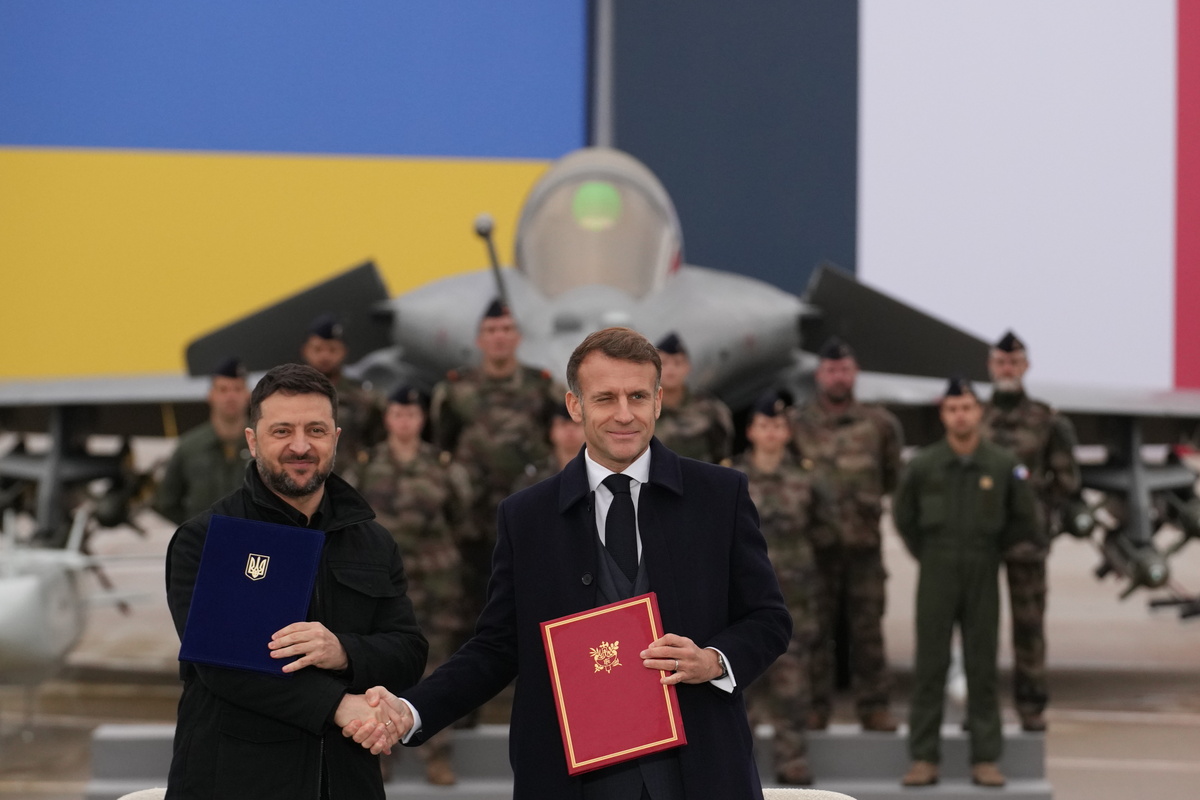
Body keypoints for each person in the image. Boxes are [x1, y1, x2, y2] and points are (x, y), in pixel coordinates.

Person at [344, 326, 792, 800]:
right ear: (575, 406)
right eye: (605, 398)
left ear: (659, 401)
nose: (624, 414)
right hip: (568, 779)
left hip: (701, 772)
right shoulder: (526, 517)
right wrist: (412, 710)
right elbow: (497, 648)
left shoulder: (720, 496)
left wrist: (713, 661)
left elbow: (768, 618)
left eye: (638, 396)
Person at [164, 364, 427, 800]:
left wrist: (343, 651)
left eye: (316, 430)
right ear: (253, 440)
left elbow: (408, 651)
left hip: (346, 782)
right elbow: (223, 665)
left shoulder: (372, 541)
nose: (301, 446)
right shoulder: (207, 538)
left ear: (335, 438)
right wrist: (338, 705)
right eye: (282, 431)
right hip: (235, 781)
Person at [893, 377, 1038, 788]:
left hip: (983, 568)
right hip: (936, 570)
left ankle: (986, 758)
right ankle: (924, 757)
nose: (960, 416)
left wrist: (990, 550)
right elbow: (904, 517)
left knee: (982, 664)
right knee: (930, 665)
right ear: (943, 414)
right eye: (953, 409)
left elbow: (1023, 517)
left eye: (967, 408)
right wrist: (929, 554)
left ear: (980, 412)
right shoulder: (924, 465)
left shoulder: (1002, 464)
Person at [354, 384, 472, 786]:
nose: (404, 421)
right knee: (379, 669)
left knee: (437, 669)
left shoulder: (442, 465)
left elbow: (461, 518)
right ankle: (380, 752)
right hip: (380, 587)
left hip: (434, 585)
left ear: (422, 419)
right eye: (397, 413)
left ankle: (437, 755)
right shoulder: (366, 466)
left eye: (412, 414)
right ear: (387, 418)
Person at [788, 337, 903, 732]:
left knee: (867, 630)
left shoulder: (879, 424)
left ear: (855, 374)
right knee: (815, 630)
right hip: (816, 549)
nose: (838, 377)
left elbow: (891, 477)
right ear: (819, 375)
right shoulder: (797, 424)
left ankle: (874, 706)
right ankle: (816, 706)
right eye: (831, 370)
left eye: (845, 370)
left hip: (863, 549)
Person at [430, 298, 556, 647]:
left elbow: (558, 439)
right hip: (472, 524)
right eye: (491, 330)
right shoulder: (455, 390)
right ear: (479, 340)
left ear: (517, 337)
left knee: (530, 606)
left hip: (526, 518)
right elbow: (442, 445)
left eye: (506, 329)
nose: (499, 336)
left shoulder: (540, 386)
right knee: (473, 611)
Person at [732, 390, 839, 786]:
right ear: (750, 431)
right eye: (764, 425)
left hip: (794, 599)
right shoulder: (731, 478)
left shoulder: (807, 478)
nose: (771, 433)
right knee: (741, 683)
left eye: (778, 426)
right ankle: (737, 763)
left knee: (792, 684)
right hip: (742, 602)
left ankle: (792, 759)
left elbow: (827, 532)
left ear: (788, 431)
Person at [982, 331, 1082, 732]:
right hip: (981, 539)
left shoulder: (1046, 420)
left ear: (1025, 367)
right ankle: (981, 707)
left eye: (1014, 362)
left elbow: (1067, 479)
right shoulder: (975, 417)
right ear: (990, 366)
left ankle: (1031, 704)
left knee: (1029, 624)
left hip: (1026, 540)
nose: (1007, 369)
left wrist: (1038, 510)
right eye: (1001, 362)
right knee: (979, 626)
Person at [154, 357, 252, 525]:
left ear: (248, 395)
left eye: (237, 389)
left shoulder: (264, 443)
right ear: (211, 395)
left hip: (253, 537)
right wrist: (195, 530)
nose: (231, 396)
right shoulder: (189, 447)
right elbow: (166, 502)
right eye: (223, 389)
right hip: (204, 539)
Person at [300, 312, 384, 470]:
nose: (325, 356)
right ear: (305, 351)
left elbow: (379, 444)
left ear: (344, 351)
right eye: (318, 349)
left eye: (332, 350)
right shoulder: (290, 395)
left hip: (350, 478)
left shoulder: (364, 398)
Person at [652, 332, 734, 464]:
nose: (671, 369)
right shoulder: (646, 411)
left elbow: (723, 452)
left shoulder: (709, 408)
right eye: (664, 363)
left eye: (677, 363)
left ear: (687, 367)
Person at [512, 401, 587, 491]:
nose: (570, 430)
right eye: (563, 424)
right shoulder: (534, 478)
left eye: (576, 424)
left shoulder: (599, 472)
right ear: (551, 432)